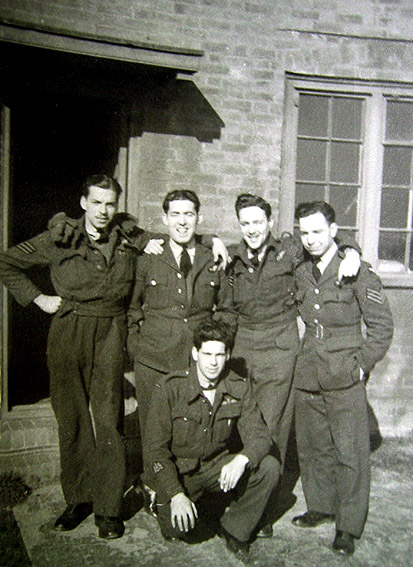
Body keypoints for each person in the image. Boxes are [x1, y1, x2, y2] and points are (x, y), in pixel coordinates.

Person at [0, 174, 156, 539]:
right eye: (96, 202)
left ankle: (108, 507)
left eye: (110, 204)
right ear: (83, 202)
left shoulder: (130, 237)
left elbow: (170, 242)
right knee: (70, 417)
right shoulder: (61, 237)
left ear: (116, 207)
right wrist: (39, 298)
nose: (103, 211)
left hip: (110, 331)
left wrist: (213, 244)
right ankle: (79, 499)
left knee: (108, 417)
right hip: (69, 328)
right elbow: (7, 262)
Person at [227, 193, 361, 536]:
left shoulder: (290, 250)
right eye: (246, 223)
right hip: (242, 346)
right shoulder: (231, 256)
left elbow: (328, 239)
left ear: (270, 223)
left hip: (279, 347)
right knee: (242, 424)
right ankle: (242, 498)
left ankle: (265, 510)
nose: (253, 229)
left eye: (259, 222)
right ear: (239, 225)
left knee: (272, 429)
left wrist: (353, 251)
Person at [291, 201, 394, 556]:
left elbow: (382, 327)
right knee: (313, 446)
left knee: (350, 452)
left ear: (334, 231)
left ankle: (348, 525)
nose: (310, 239)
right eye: (304, 232)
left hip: (345, 374)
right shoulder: (300, 267)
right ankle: (320, 505)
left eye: (318, 231)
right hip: (308, 371)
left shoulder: (358, 271)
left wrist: (361, 365)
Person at [142, 320, 279, 560]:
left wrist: (242, 460)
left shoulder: (238, 387)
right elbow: (155, 451)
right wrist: (176, 494)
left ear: (227, 355)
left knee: (269, 467)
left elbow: (260, 435)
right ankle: (151, 493)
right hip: (182, 472)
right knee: (180, 530)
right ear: (195, 353)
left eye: (219, 354)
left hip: (217, 466)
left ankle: (235, 529)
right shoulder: (171, 388)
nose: (213, 362)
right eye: (207, 354)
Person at [127, 189, 236, 440]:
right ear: (165, 219)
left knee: (191, 430)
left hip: (194, 363)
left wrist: (214, 346)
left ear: (198, 218)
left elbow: (227, 309)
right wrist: (136, 346)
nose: (182, 221)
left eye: (189, 214)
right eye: (175, 214)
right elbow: (132, 308)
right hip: (153, 360)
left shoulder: (213, 259)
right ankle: (153, 480)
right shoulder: (148, 259)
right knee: (153, 430)